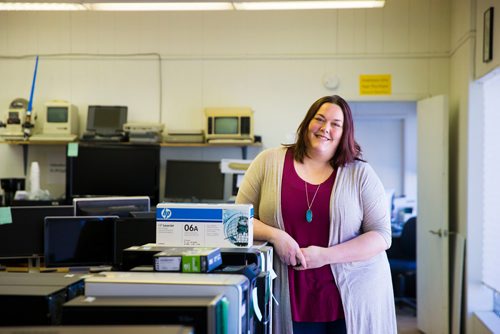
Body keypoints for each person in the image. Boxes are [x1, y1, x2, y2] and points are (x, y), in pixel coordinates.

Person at [236, 95, 397, 334]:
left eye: (335, 124)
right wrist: (276, 236)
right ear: (307, 122)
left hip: (350, 298)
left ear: (345, 132)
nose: (325, 128)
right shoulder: (268, 162)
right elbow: (237, 220)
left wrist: (326, 255)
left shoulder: (360, 173)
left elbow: (382, 235)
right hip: (286, 295)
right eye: (319, 119)